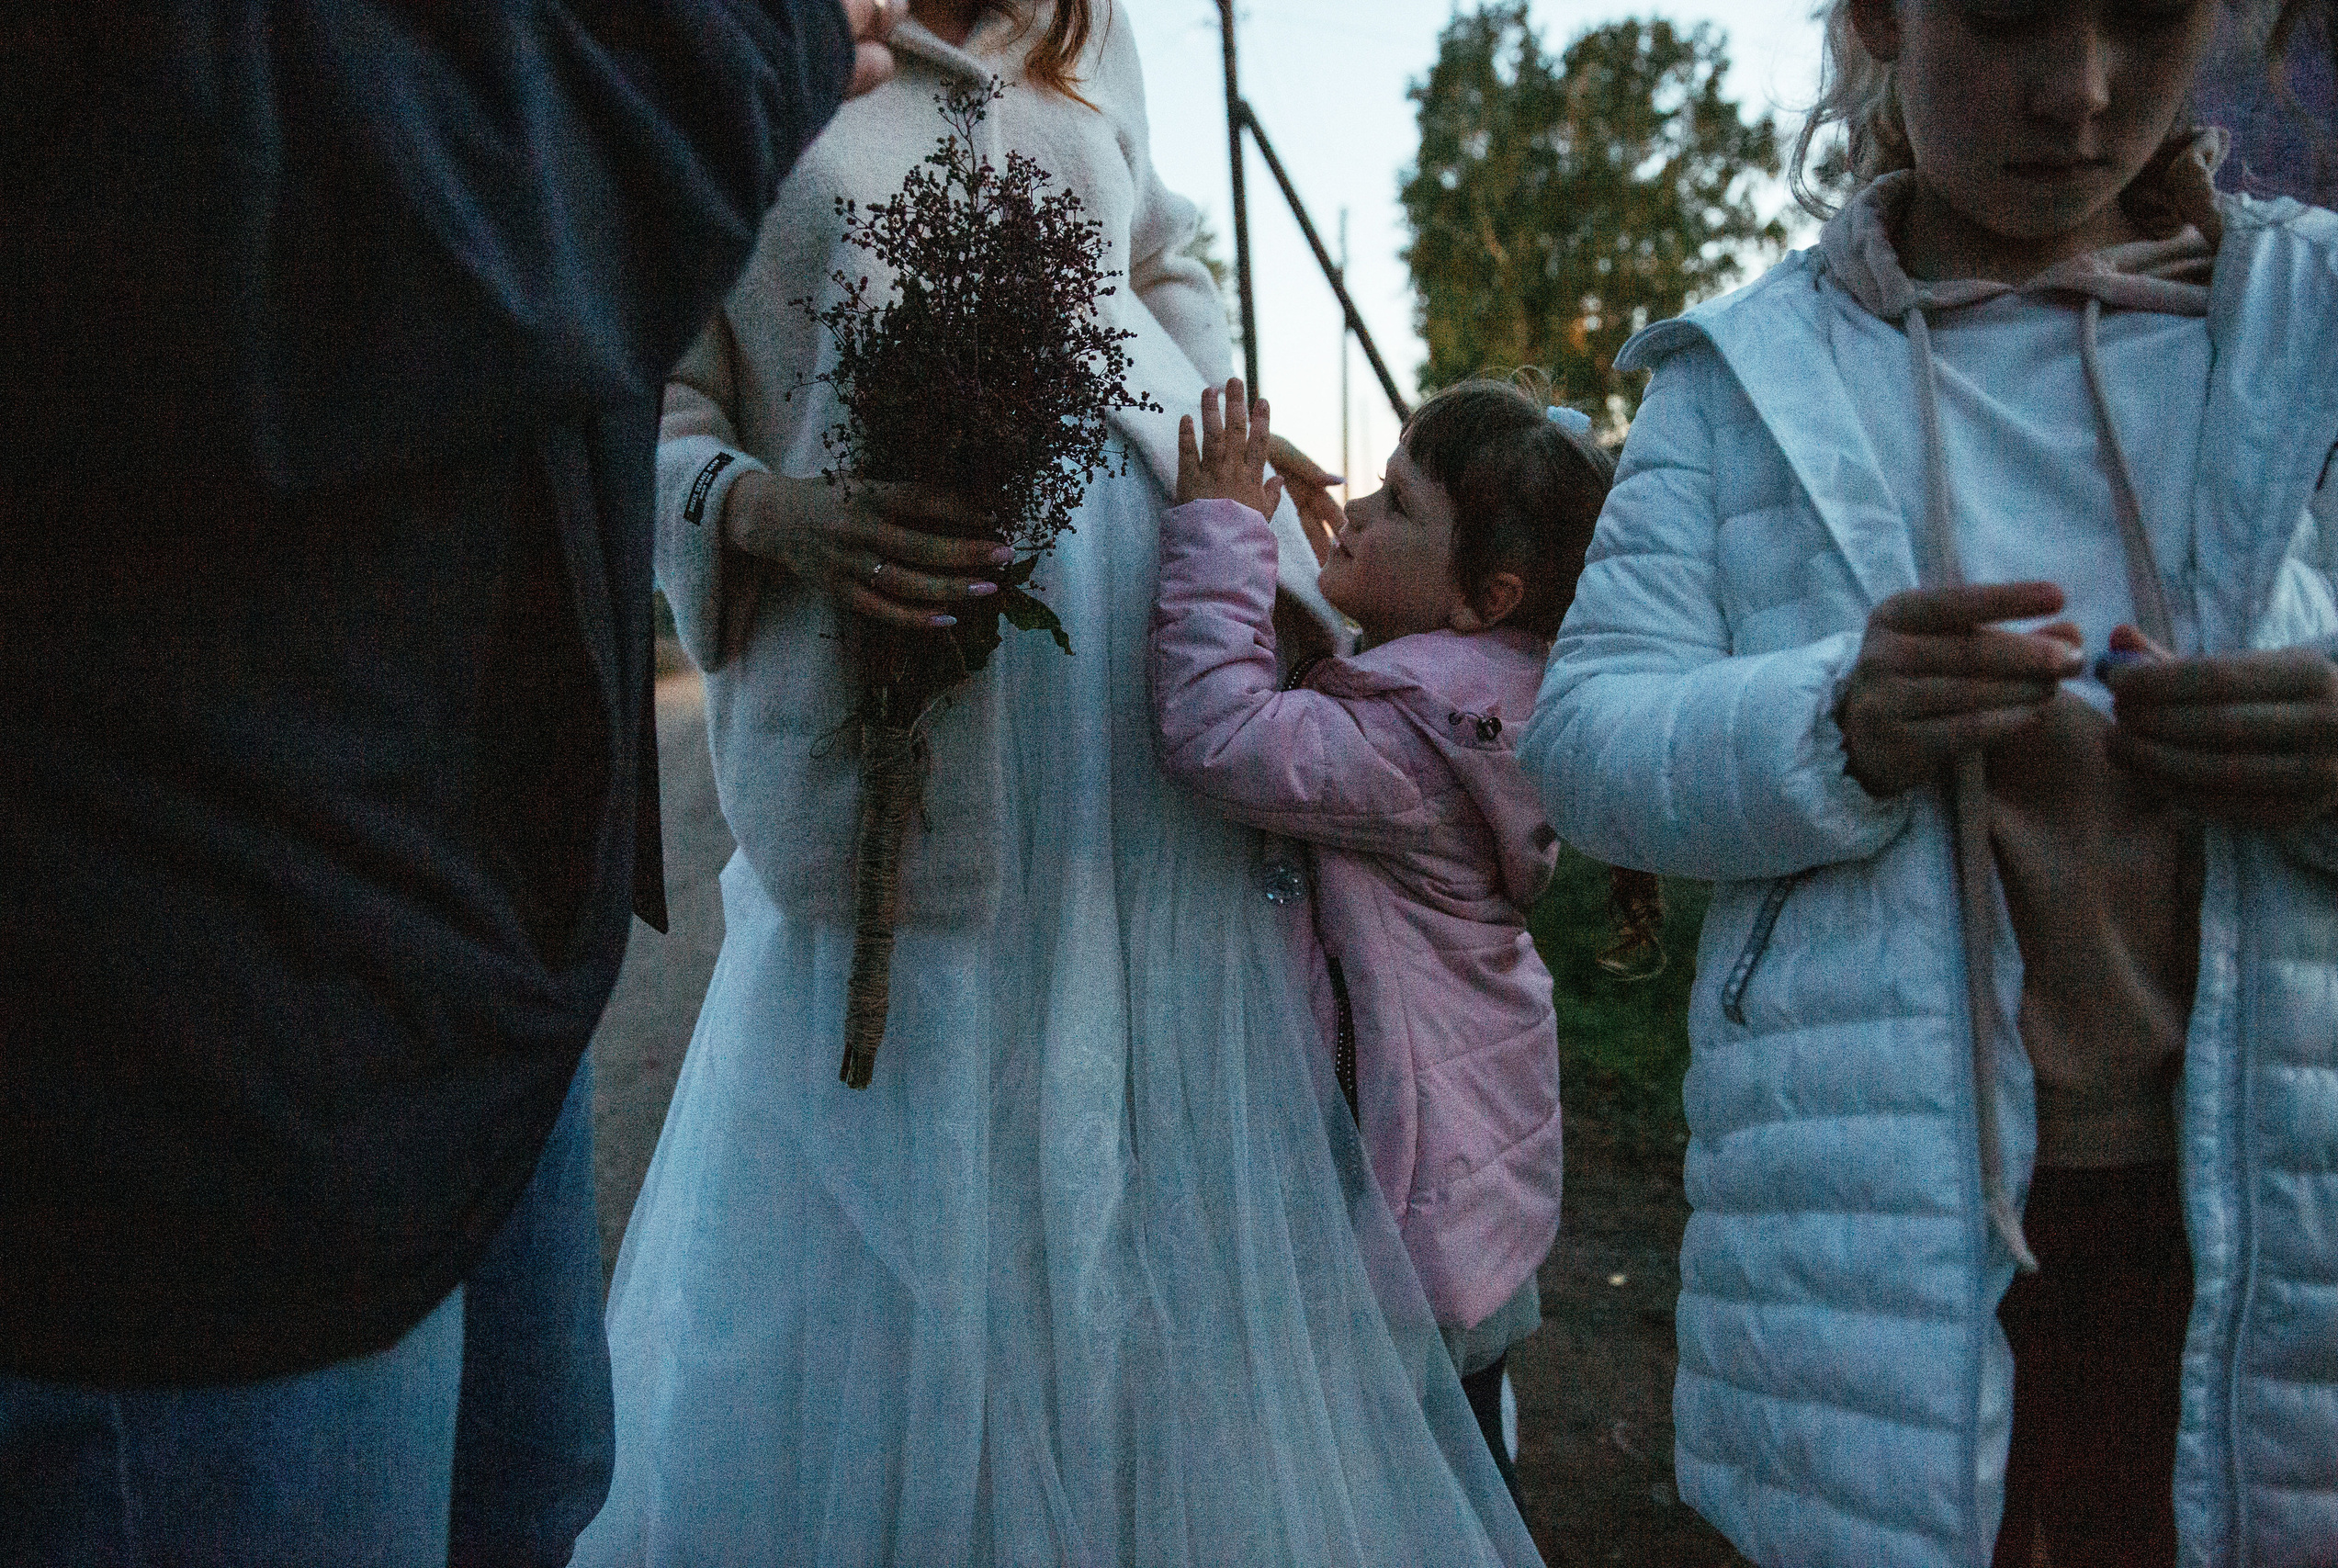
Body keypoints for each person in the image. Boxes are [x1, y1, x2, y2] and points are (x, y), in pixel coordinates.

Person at [571, 2, 1542, 1562]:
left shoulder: (1092, 41)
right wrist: (765, 512)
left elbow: (1163, 252)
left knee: (1131, 1104)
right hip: (898, 701)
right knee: (911, 1106)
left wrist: (1212, 412)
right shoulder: (742, 43)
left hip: (1140, 708)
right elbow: (632, 390)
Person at [0, 4, 896, 1563]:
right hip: (205, 1067)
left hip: (465, 981)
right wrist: (741, 42)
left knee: (538, 1500)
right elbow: (209, 193)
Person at [1516, 0, 2338, 1556]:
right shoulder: (1741, 375)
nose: (2086, 92)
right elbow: (1585, 743)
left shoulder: (2325, 327)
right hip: (1880, 1222)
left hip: (2281, 1217)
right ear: (1882, 19)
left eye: (2152, 21)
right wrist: (1836, 720)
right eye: (2012, 18)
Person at [1148, 378, 1612, 1515]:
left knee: (1406, 1491)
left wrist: (1217, 529)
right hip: (1465, 1198)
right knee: (1457, 1452)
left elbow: (1220, 732)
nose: (1353, 509)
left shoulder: (1410, 747)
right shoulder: (1477, 703)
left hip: (1410, 1214)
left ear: (1482, 598)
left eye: (1397, 507)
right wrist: (1353, 570)